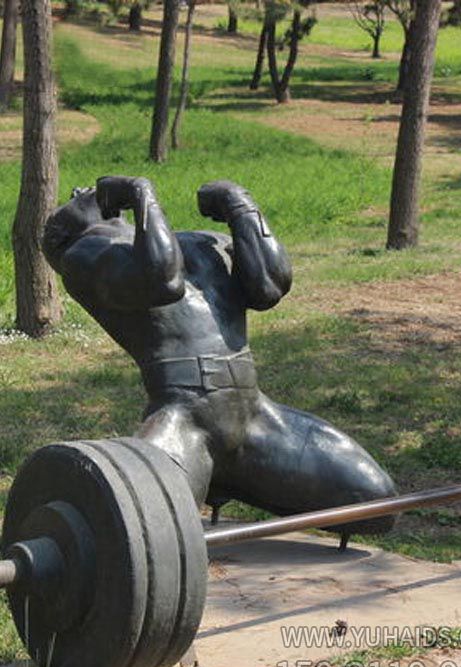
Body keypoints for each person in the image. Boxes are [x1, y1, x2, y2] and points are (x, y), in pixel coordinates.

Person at [43, 176, 397, 537]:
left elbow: (269, 286)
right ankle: (208, 473)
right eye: (68, 201)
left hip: (253, 414)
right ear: (59, 235)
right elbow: (162, 281)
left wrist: (239, 206)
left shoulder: (190, 242)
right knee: (145, 537)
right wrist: (141, 194)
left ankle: (232, 477)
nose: (79, 190)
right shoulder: (84, 258)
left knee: (375, 500)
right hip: (185, 420)